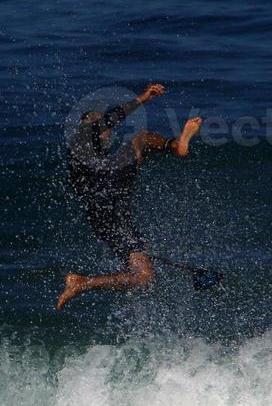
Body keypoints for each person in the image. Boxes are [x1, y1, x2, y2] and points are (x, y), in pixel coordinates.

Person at [57, 83, 203, 310]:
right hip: (109, 200)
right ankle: (176, 146)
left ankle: (83, 283)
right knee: (140, 140)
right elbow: (110, 119)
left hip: (109, 217)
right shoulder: (81, 139)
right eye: (101, 126)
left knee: (145, 278)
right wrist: (143, 98)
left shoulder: (88, 156)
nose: (107, 131)